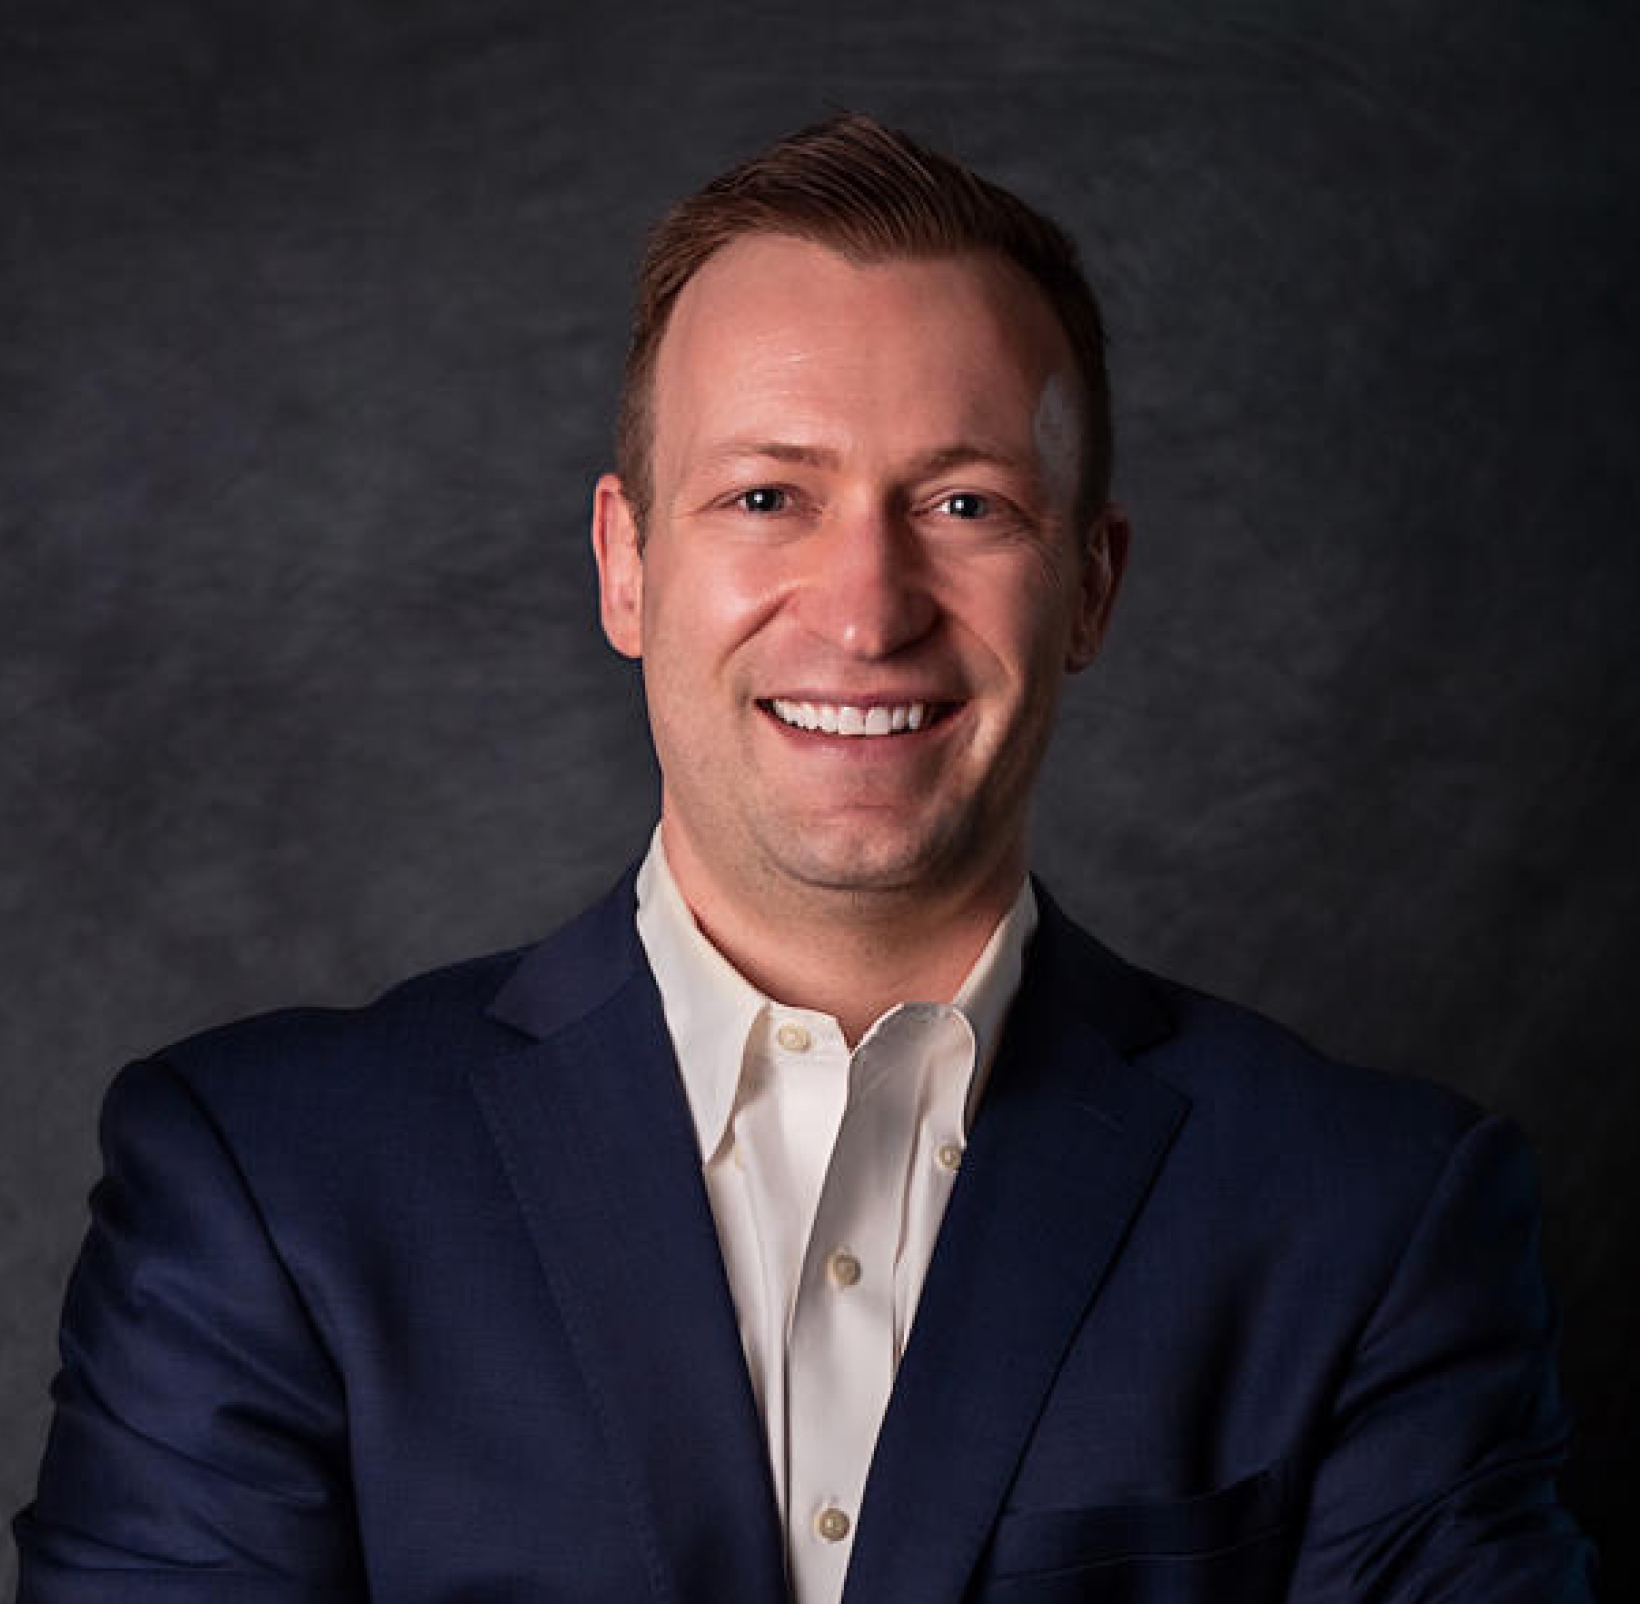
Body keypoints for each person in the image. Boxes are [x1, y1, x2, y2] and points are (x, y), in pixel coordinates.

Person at [14, 114, 1594, 1603]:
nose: (866, 607)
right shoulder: (263, 1187)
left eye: (965, 502)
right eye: (768, 495)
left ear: (1092, 587)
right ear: (628, 565)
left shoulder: (1370, 1218)